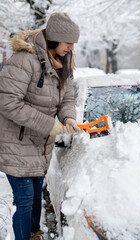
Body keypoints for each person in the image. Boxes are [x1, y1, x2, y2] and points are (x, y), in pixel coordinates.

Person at [0, 12, 82, 240]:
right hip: (16, 142)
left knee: (36, 195)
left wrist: (68, 118)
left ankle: (33, 234)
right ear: (55, 39)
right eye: (68, 42)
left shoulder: (64, 62)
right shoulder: (24, 60)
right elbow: (7, 102)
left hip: (39, 144)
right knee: (25, 199)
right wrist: (48, 124)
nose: (71, 47)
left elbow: (67, 98)